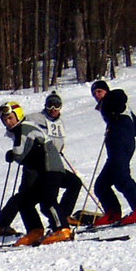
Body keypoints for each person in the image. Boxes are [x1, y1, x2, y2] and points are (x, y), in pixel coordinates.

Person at [0, 102, 65, 245]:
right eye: (5, 120)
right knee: (25, 200)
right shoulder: (20, 129)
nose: (8, 122)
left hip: (49, 168)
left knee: (48, 200)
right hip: (40, 170)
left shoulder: (24, 128)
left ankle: (62, 229)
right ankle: (35, 230)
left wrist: (12, 154)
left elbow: (19, 153)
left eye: (10, 118)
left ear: (18, 115)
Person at [94, 88, 136, 226]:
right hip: (120, 144)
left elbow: (119, 96)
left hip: (120, 143)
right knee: (101, 184)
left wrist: (117, 125)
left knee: (121, 176)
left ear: (107, 91)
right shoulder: (120, 107)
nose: (97, 95)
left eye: (99, 91)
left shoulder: (113, 100)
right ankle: (112, 213)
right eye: (94, 93)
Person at [36, 92, 85, 236]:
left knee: (75, 183)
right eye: (49, 105)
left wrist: (59, 149)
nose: (52, 108)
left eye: (56, 105)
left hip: (56, 162)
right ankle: (59, 222)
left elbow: (59, 140)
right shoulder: (37, 118)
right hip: (43, 164)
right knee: (48, 198)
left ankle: (63, 215)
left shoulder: (59, 122)